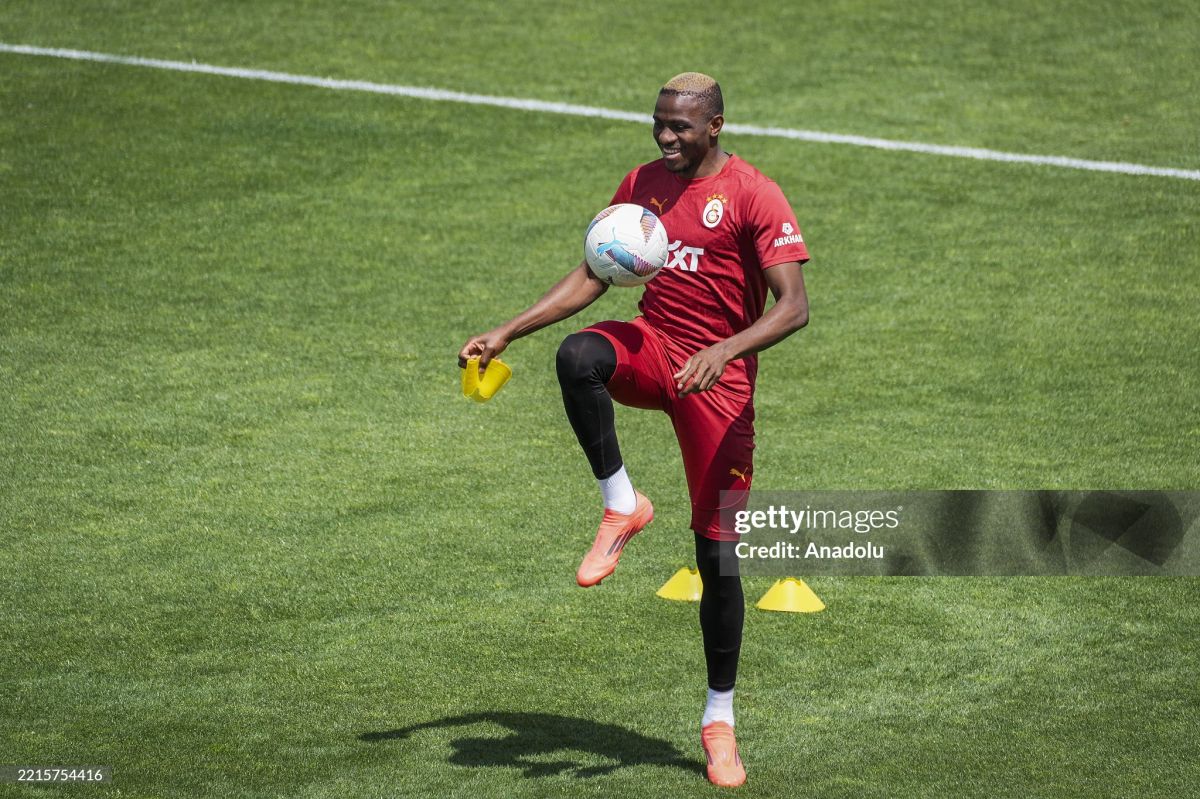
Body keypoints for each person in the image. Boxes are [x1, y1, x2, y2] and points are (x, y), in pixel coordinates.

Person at [457, 72, 810, 788]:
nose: (665, 136)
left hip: (718, 382)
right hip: (655, 348)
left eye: (681, 127)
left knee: (718, 557)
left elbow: (794, 306)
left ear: (715, 126)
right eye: (659, 123)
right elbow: (595, 274)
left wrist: (726, 350)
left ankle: (719, 721)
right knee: (578, 357)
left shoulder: (753, 194)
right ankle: (622, 503)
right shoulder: (642, 183)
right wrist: (508, 330)